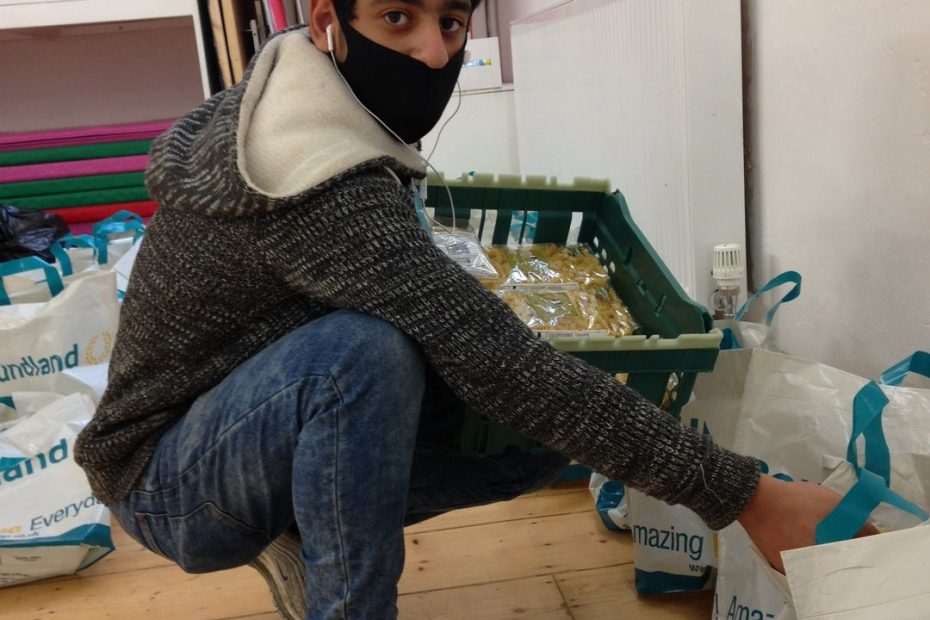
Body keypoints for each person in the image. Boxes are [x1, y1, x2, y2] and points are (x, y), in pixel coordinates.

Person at [74, 1, 861, 618]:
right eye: (397, 17)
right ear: (327, 21)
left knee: (527, 441)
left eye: (451, 22)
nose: (432, 51)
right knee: (362, 355)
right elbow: (502, 364)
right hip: (164, 483)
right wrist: (748, 496)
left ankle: (300, 530)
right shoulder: (313, 179)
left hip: (240, 422)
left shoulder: (304, 88)